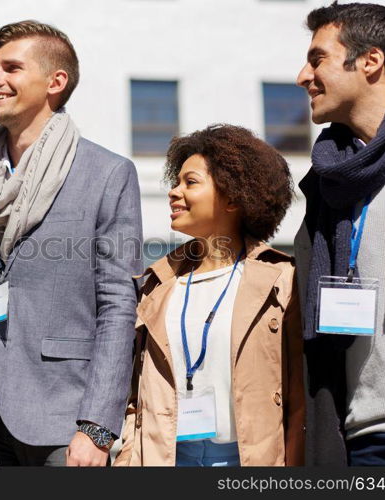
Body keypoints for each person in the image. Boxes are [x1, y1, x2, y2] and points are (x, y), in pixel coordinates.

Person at [0, 20, 143, 467]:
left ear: (56, 82)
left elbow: (118, 305)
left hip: (64, 413)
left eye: (11, 68)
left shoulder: (108, 174)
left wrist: (96, 426)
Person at [114, 124, 304, 467]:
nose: (174, 192)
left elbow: (297, 398)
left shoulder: (280, 281)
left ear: (233, 196)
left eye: (190, 182)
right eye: (176, 181)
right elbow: (136, 392)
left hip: (246, 460)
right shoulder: (157, 283)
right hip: (166, 458)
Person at [295, 2, 385, 466]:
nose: (302, 76)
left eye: (317, 59)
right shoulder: (327, 185)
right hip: (365, 440)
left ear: (371, 61)